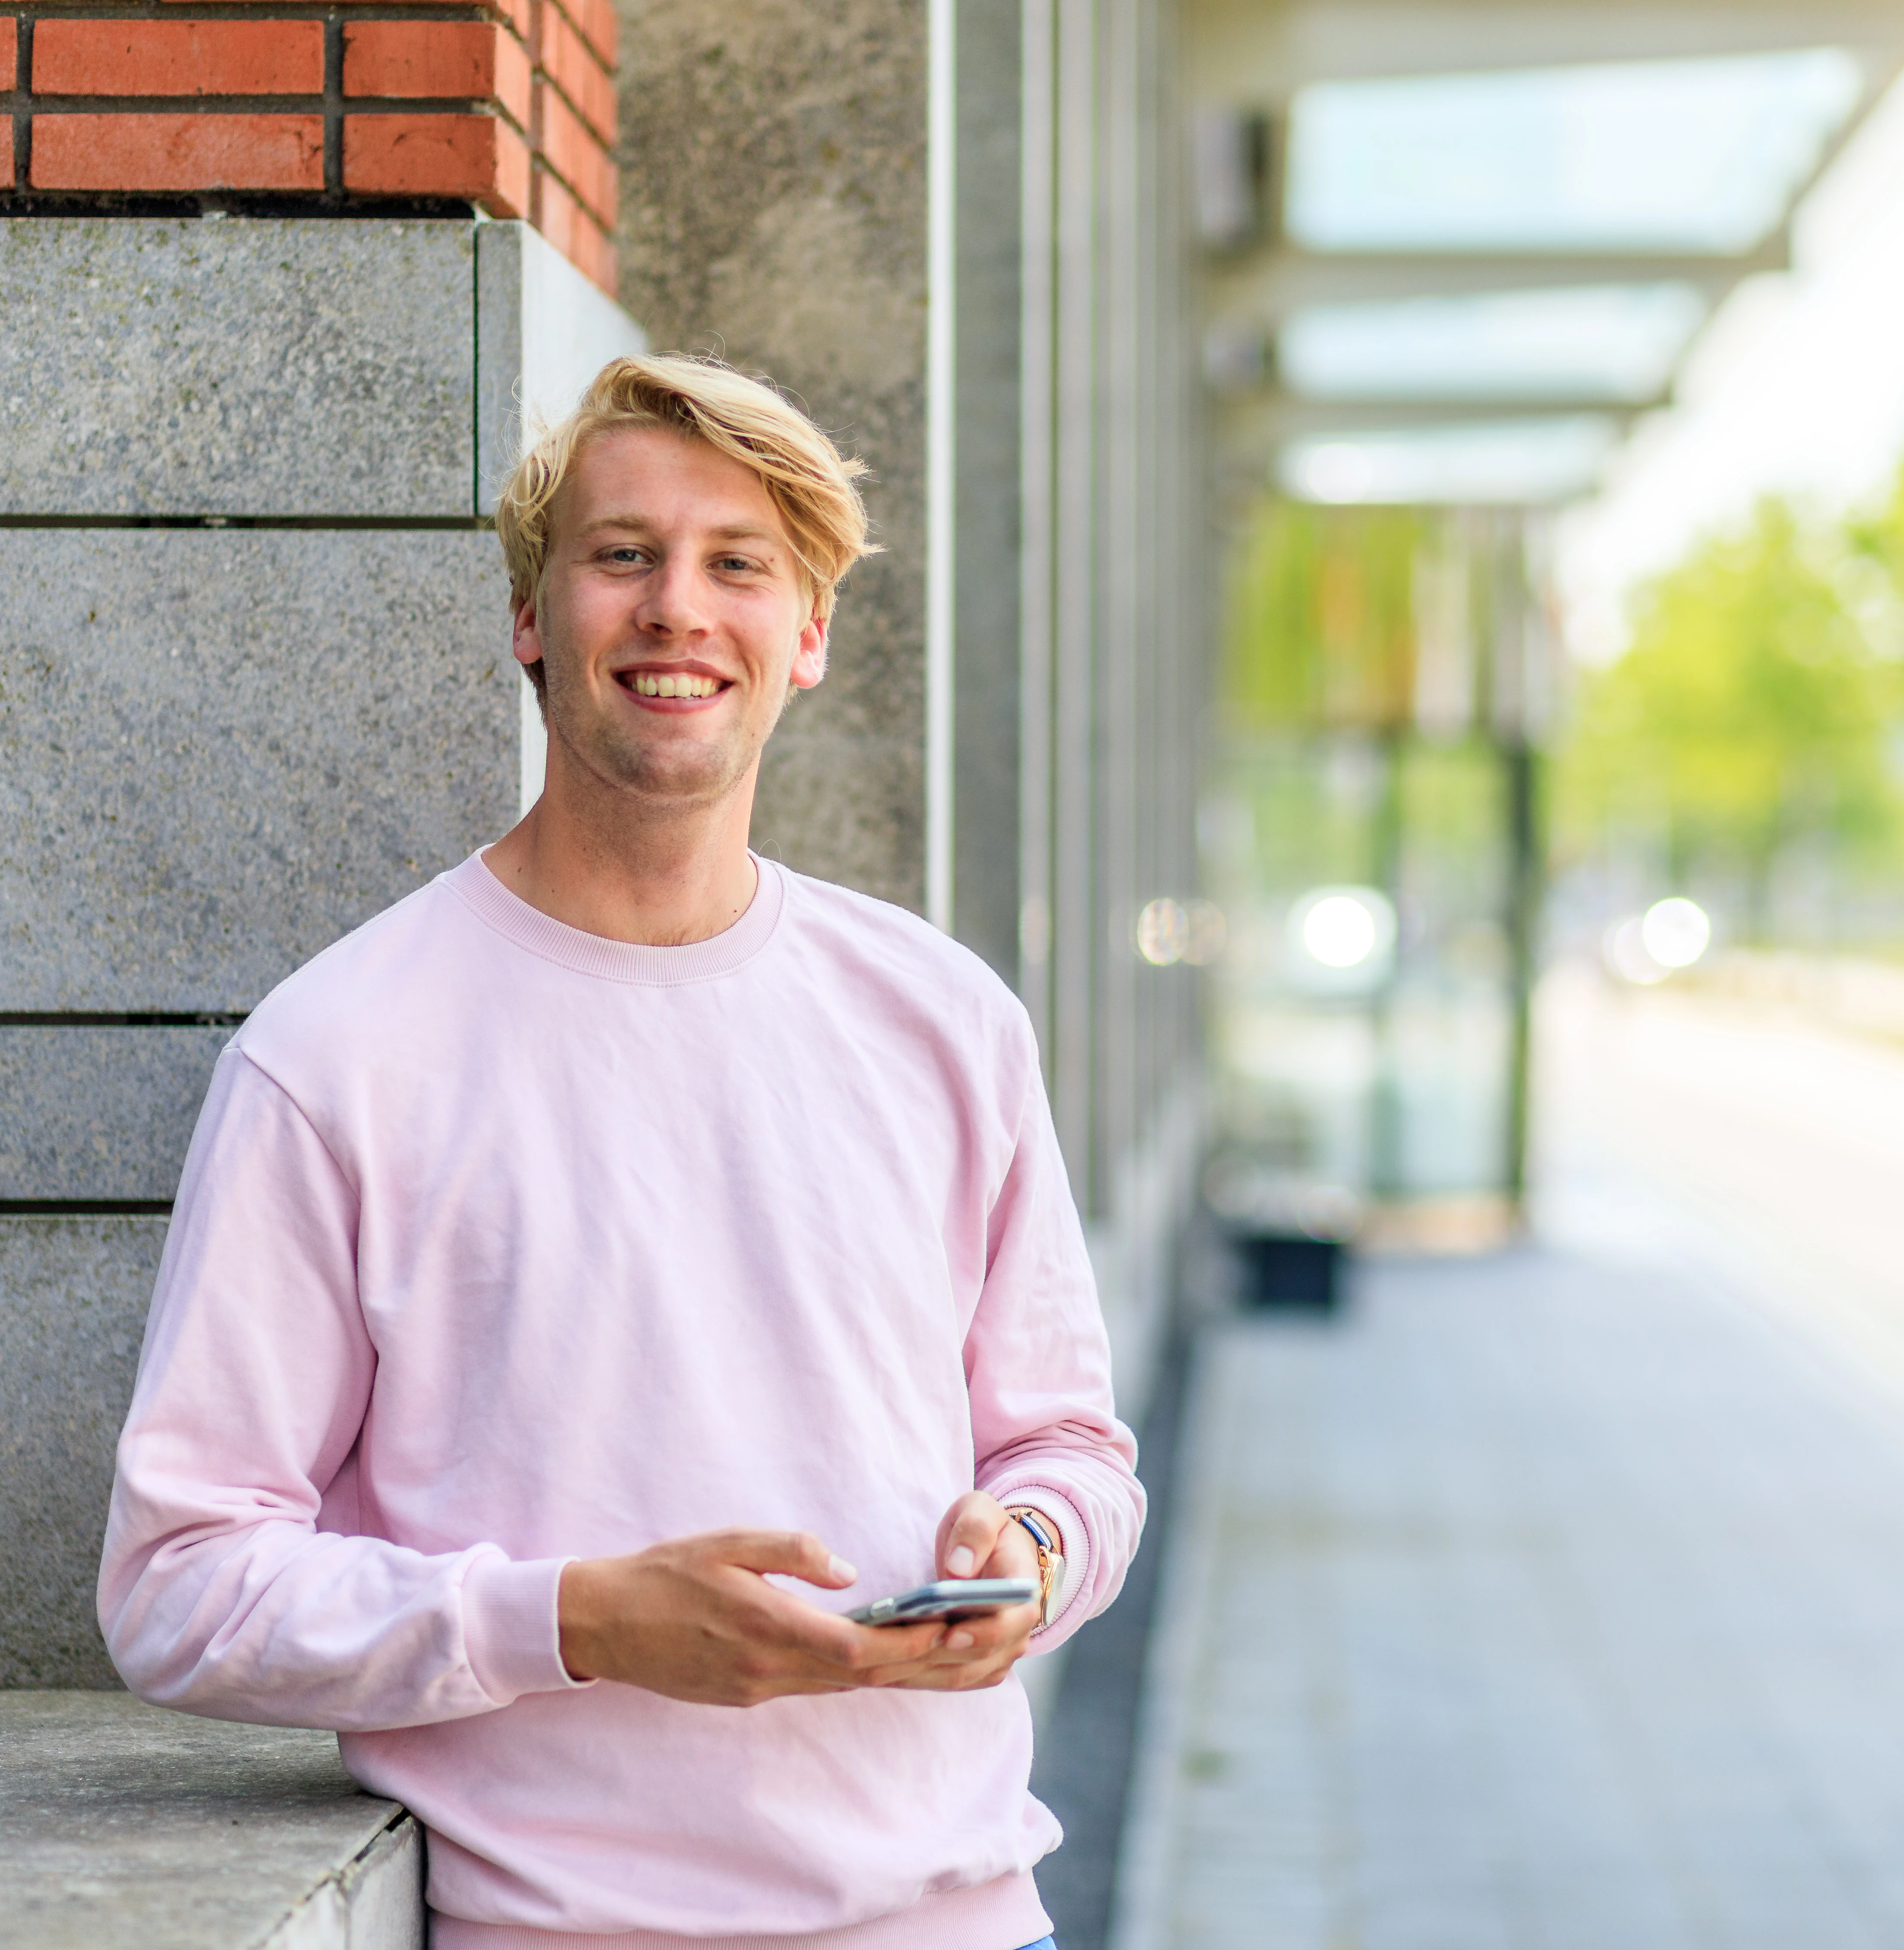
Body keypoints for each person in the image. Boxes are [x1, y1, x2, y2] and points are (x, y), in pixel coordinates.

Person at [99, 353, 1143, 1950]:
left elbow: (1074, 1455)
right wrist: (572, 1621)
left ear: (806, 637)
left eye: (740, 563)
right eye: (622, 555)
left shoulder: (946, 1020)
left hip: (963, 1923)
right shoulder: (336, 1054)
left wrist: (1032, 1558)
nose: (677, 607)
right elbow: (180, 1584)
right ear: (534, 617)